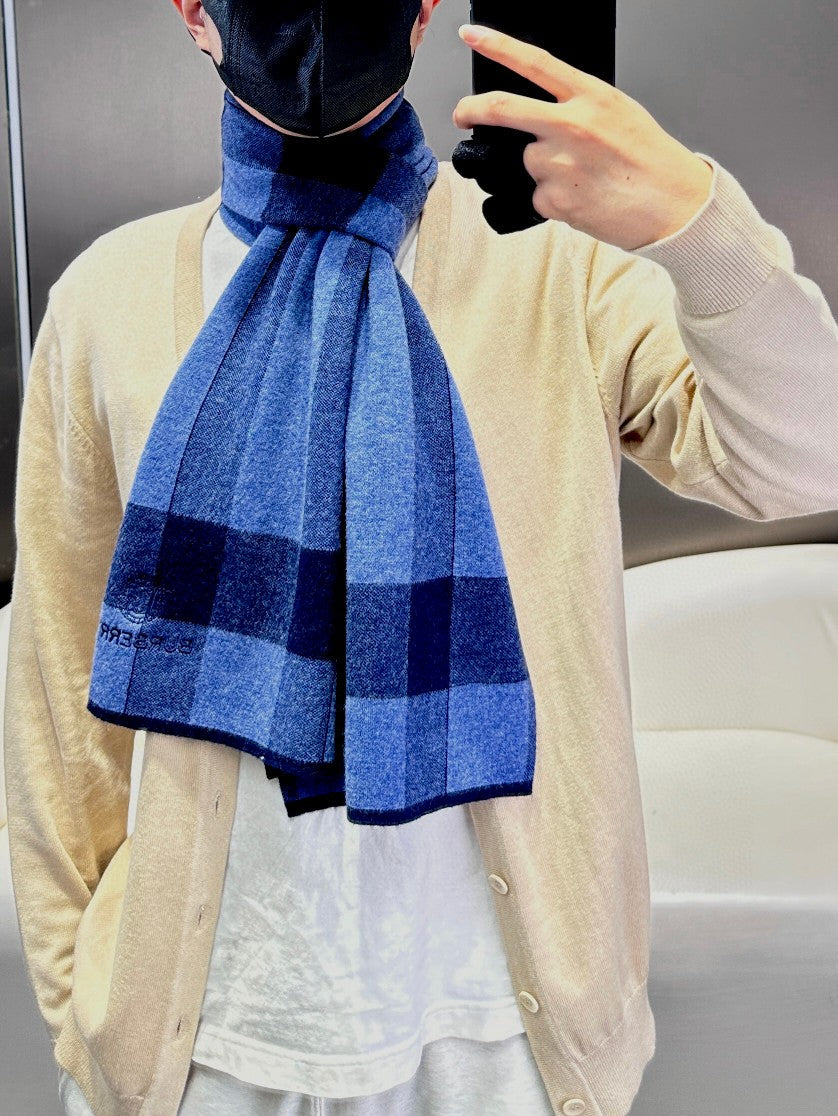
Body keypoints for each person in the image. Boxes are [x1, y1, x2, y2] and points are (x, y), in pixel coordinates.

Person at [6, 1, 838, 1114]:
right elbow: (57, 685)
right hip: (203, 1039)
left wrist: (693, 224)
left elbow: (807, 462)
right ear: (195, 9)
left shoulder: (561, 271)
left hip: (499, 1035)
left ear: (425, 6)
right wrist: (84, 999)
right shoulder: (108, 296)